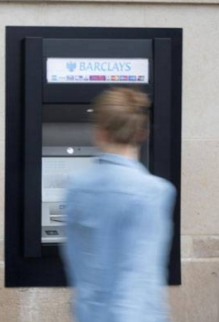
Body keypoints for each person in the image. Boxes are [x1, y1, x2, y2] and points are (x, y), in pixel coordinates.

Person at [62, 87, 177, 322]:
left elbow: (75, 262)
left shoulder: (76, 187)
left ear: (99, 133)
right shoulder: (154, 192)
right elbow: (138, 277)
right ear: (141, 133)